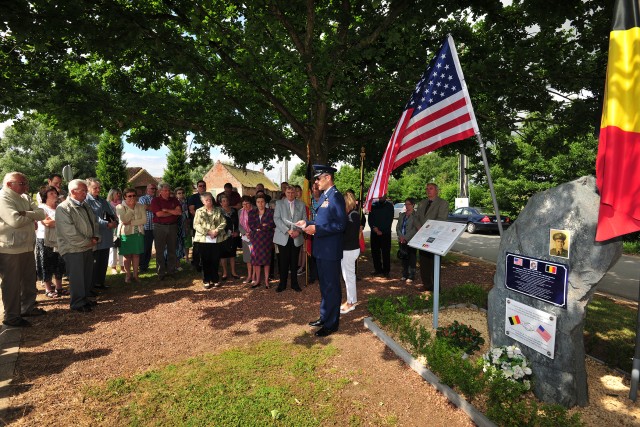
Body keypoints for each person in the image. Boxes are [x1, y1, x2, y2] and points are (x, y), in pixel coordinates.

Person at [296, 165, 347, 337]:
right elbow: (321, 219)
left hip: (330, 250)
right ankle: (325, 317)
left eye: (318, 179)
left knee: (332, 286)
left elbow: (340, 225)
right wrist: (307, 223)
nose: (316, 182)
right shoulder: (325, 196)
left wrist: (317, 230)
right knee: (324, 286)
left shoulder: (336, 197)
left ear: (327, 177)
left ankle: (332, 324)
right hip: (322, 249)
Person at [0, 172, 46, 327]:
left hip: (26, 245)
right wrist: (31, 218)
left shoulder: (24, 197)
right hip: (10, 248)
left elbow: (41, 213)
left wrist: (25, 213)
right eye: (22, 183)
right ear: (9, 184)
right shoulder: (3, 198)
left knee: (28, 280)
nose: (26, 186)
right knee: (11, 284)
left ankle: (27, 308)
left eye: (26, 183)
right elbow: (14, 221)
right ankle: (12, 317)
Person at [56, 179, 100, 312]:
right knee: (77, 277)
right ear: (73, 191)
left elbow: (94, 223)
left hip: (87, 246)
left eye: (86, 190)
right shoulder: (63, 208)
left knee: (86, 275)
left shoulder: (84, 205)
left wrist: (96, 236)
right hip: (73, 249)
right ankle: (77, 303)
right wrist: (89, 241)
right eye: (83, 190)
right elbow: (70, 233)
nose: (86, 193)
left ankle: (84, 299)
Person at [415, 183, 449, 291]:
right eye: (427, 189)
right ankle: (427, 285)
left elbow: (441, 219)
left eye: (431, 188)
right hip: (422, 237)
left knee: (434, 263)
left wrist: (426, 229)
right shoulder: (422, 203)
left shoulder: (443, 203)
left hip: (435, 238)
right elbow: (416, 217)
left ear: (437, 190)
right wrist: (419, 227)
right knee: (424, 262)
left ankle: (436, 288)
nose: (428, 190)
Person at [85, 178, 118, 292]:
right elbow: (93, 218)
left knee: (103, 260)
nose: (98, 190)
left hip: (106, 234)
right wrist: (106, 224)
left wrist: (114, 221)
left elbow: (110, 213)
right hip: (96, 235)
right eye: (95, 188)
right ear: (88, 188)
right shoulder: (86, 201)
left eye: (99, 187)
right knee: (95, 261)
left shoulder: (103, 200)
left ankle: (100, 282)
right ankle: (92, 285)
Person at [273, 185, 306, 292]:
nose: (290, 194)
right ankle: (282, 284)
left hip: (296, 237)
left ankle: (294, 284)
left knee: (294, 261)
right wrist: (287, 230)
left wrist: (298, 231)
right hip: (283, 236)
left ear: (295, 193)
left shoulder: (301, 204)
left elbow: (304, 220)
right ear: (285, 193)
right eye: (288, 192)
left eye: (292, 192)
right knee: (283, 261)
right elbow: (276, 219)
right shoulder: (279, 203)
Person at [36, 186, 68, 298]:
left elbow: (66, 220)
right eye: (51, 193)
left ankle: (59, 288)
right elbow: (47, 223)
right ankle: (48, 289)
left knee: (60, 262)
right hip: (45, 239)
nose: (55, 195)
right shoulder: (41, 208)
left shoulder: (60, 207)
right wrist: (62, 221)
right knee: (47, 263)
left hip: (59, 239)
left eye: (55, 193)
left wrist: (56, 221)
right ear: (45, 196)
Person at [192, 192, 227, 288]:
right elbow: (196, 225)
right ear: (203, 201)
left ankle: (215, 279)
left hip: (216, 239)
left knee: (215, 259)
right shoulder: (199, 211)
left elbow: (223, 222)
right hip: (203, 239)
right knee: (205, 260)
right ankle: (206, 280)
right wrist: (208, 232)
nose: (209, 201)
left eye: (210, 199)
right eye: (207, 200)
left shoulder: (218, 210)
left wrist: (216, 231)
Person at [150, 183, 182, 280]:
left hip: (172, 226)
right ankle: (161, 273)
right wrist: (172, 212)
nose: (167, 192)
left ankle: (171, 271)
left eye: (168, 190)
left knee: (172, 249)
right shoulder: (155, 201)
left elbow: (179, 212)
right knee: (159, 250)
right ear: (160, 191)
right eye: (165, 190)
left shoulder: (174, 200)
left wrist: (166, 210)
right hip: (160, 227)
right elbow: (159, 214)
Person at [116, 188, 147, 282]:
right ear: (125, 197)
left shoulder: (140, 206)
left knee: (136, 255)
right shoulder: (119, 207)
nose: (132, 198)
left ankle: (136, 275)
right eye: (129, 196)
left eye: (134, 195)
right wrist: (130, 208)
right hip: (125, 234)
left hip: (138, 233)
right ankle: (128, 275)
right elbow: (124, 220)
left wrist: (131, 222)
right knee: (127, 256)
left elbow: (144, 220)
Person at [247, 193, 275, 288]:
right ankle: (257, 280)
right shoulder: (251, 212)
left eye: (262, 202)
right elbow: (251, 225)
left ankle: (266, 281)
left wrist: (260, 227)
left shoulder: (271, 212)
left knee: (267, 260)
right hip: (254, 240)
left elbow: (271, 224)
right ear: (256, 203)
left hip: (266, 239)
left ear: (265, 202)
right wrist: (262, 226)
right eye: (258, 202)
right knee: (256, 260)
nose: (260, 204)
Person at [340, 191, 361, 314]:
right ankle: (350, 299)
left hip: (350, 249)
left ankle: (351, 302)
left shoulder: (353, 215)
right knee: (347, 276)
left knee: (349, 277)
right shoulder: (350, 214)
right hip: (347, 249)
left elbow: (350, 235)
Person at [368, 194, 394, 277]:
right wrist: (374, 228)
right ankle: (377, 269)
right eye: (380, 196)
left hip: (385, 233)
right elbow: (370, 219)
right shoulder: (374, 205)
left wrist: (381, 230)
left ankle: (386, 270)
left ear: (386, 196)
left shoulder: (389, 206)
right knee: (375, 252)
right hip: (374, 233)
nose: (381, 197)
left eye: (383, 196)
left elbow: (389, 219)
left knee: (385, 252)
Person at [396, 197, 419, 284]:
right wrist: (401, 237)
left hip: (411, 240)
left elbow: (415, 229)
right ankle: (404, 274)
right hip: (401, 240)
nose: (407, 206)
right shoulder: (402, 215)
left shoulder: (416, 215)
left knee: (412, 258)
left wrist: (405, 237)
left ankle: (411, 275)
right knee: (404, 257)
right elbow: (398, 227)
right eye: (405, 204)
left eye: (408, 204)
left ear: (413, 205)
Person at [188, 180, 208, 271]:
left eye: (204, 186)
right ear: (197, 187)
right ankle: (196, 263)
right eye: (200, 186)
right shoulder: (193, 197)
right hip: (198, 224)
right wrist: (201, 219)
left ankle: (206, 262)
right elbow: (192, 210)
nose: (202, 187)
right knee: (197, 244)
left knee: (207, 244)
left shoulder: (209, 196)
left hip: (209, 225)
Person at [219, 194, 240, 280]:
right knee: (223, 255)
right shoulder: (219, 212)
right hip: (223, 236)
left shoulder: (234, 210)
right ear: (220, 203)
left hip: (233, 236)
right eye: (223, 201)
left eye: (227, 200)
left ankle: (233, 272)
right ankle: (225, 272)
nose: (225, 202)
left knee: (232, 254)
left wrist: (237, 232)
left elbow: (238, 223)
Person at [138, 183, 157, 272]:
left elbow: (150, 208)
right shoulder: (142, 198)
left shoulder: (156, 199)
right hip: (146, 228)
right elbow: (144, 207)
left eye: (154, 188)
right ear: (147, 190)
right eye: (152, 188)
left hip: (156, 227)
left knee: (152, 249)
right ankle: (142, 266)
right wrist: (157, 208)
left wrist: (151, 207)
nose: (153, 190)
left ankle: (147, 265)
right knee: (145, 248)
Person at [107, 188, 124, 274]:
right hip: (113, 228)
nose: (119, 195)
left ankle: (122, 267)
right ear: (112, 194)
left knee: (122, 247)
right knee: (113, 247)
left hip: (122, 227)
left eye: (120, 193)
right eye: (117, 193)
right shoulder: (108, 204)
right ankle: (113, 267)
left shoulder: (123, 203)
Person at [238, 196, 255, 284]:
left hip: (254, 238)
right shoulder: (240, 211)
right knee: (248, 258)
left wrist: (251, 233)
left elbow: (257, 224)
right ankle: (249, 275)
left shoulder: (255, 210)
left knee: (254, 256)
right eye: (243, 204)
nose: (245, 205)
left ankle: (254, 276)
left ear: (250, 203)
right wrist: (245, 232)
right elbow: (240, 225)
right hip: (245, 238)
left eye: (247, 203)